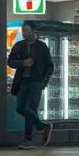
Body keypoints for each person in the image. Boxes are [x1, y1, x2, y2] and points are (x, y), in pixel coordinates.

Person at [8, 21, 54, 149]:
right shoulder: (19, 45)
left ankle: (27, 140)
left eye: (26, 31)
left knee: (30, 108)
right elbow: (10, 62)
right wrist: (22, 63)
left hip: (36, 82)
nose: (24, 33)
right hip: (22, 81)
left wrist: (44, 81)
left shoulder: (42, 47)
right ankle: (43, 127)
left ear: (33, 31)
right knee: (20, 108)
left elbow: (50, 65)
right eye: (23, 31)